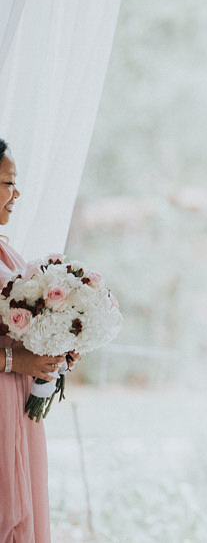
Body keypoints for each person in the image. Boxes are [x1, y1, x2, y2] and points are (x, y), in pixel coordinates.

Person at [1, 138, 66, 543]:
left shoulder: (5, 251)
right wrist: (14, 362)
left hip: (16, 407)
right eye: (8, 181)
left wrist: (61, 337)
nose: (17, 193)